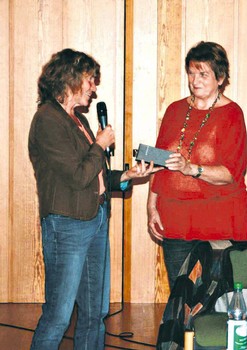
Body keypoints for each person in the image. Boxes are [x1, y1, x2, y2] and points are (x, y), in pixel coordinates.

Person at [28, 48, 159, 350]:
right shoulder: (48, 120)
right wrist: (100, 144)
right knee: (59, 316)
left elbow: (96, 176)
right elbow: (77, 176)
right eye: (90, 80)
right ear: (70, 79)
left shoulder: (76, 120)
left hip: (95, 220)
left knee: (94, 312)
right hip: (67, 226)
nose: (94, 88)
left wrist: (126, 177)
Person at [147, 41, 247, 290]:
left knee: (217, 296)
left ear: (220, 77)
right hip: (174, 218)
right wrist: (152, 207)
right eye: (191, 73)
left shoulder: (232, 114)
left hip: (219, 219)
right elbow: (158, 163)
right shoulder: (174, 110)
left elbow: (230, 174)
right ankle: (182, 332)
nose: (195, 80)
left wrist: (190, 168)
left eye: (203, 74)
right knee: (180, 294)